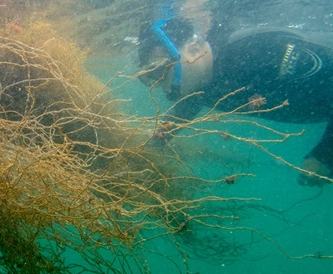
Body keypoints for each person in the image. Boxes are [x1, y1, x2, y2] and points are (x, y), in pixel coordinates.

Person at [136, 16, 333, 186]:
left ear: (194, 51)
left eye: (161, 71)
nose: (161, 85)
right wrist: (138, 152)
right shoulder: (203, 83)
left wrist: (325, 155)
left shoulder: (255, 49)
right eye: (152, 77)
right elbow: (177, 118)